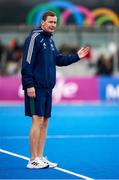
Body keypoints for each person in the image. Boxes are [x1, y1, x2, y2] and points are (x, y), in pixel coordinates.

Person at [21, 11, 89, 169]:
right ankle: (32, 159)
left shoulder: (50, 40)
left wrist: (76, 56)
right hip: (35, 88)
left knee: (44, 122)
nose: (53, 25)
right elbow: (27, 63)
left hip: (47, 88)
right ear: (43, 22)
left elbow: (59, 60)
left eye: (55, 22)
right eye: (50, 22)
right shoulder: (34, 38)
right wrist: (29, 84)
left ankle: (40, 157)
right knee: (37, 120)